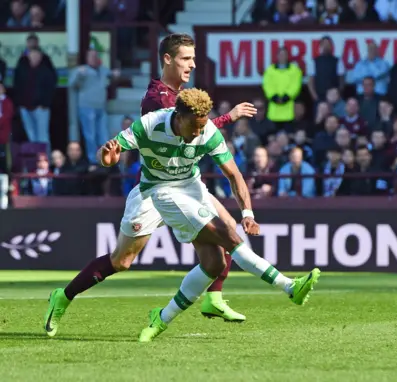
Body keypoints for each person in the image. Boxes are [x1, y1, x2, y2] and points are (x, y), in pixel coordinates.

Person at [43, 34, 257, 338]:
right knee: (122, 260)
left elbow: (195, 130)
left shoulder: (180, 94)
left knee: (225, 229)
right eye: (185, 58)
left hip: (182, 185)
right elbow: (190, 133)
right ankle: (62, 297)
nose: (192, 64)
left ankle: (213, 298)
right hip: (155, 190)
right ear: (167, 59)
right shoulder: (159, 101)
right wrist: (227, 117)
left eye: (193, 58)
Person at [99, 89, 320, 342]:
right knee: (229, 237)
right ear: (178, 117)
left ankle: (160, 319)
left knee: (214, 264)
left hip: (192, 188)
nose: (197, 133)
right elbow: (108, 153)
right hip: (161, 192)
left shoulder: (207, 132)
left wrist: (247, 213)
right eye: (193, 126)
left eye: (202, 126)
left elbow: (234, 175)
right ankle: (289, 286)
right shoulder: (150, 124)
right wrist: (107, 160)